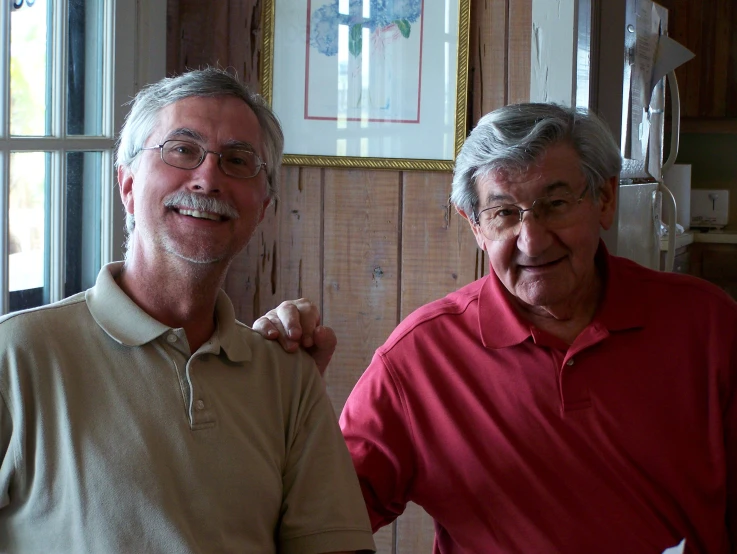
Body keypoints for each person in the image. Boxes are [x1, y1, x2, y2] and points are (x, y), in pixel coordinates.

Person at [255, 103, 737, 553]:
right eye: (504, 213)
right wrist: (280, 407)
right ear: (476, 226)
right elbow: (318, 520)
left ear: (604, 199)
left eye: (556, 203)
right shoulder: (419, 360)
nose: (532, 239)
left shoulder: (707, 324)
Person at [0, 68, 375, 554]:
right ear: (127, 184)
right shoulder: (18, 354)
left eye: (239, 160)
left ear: (262, 208)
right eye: (182, 150)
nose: (208, 179)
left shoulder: (287, 376)